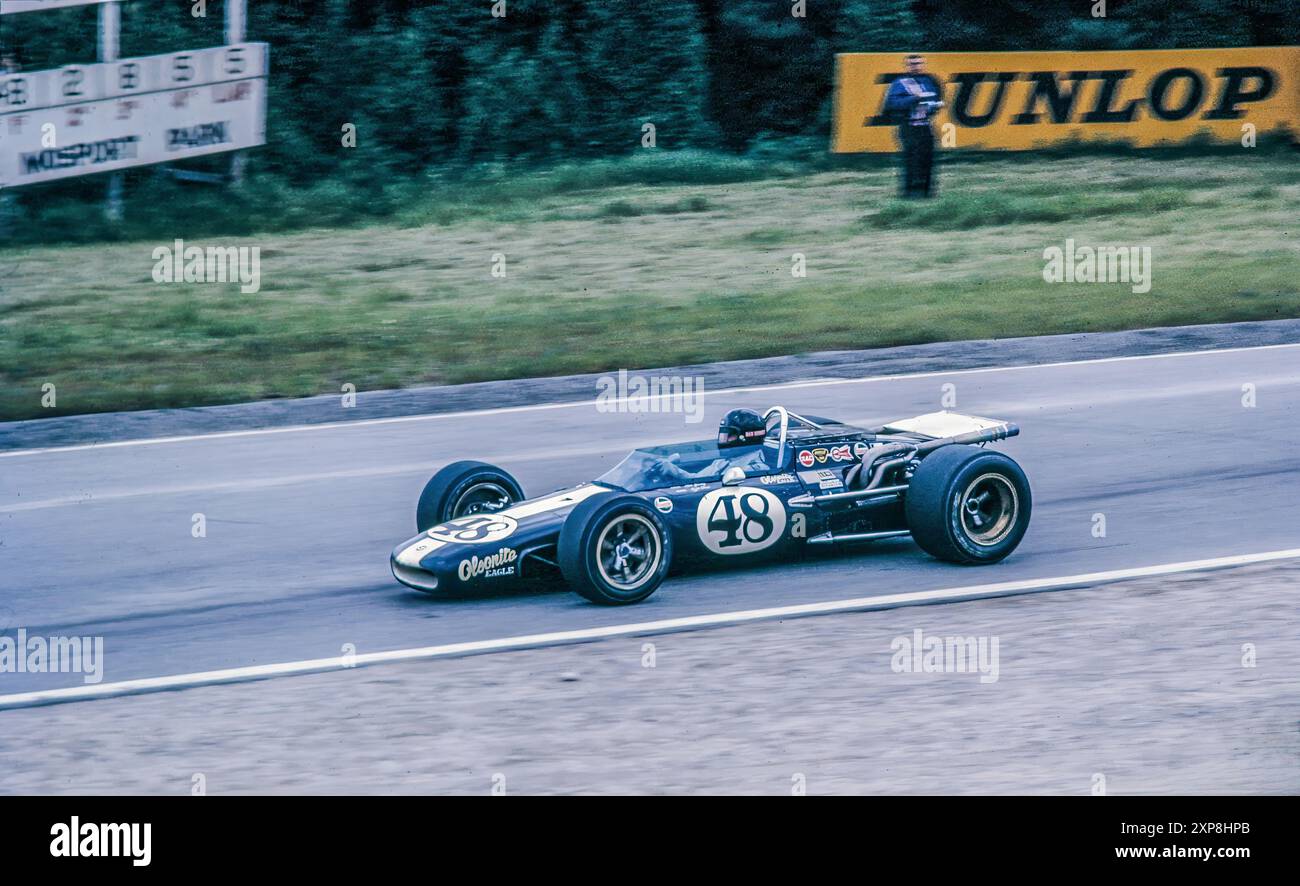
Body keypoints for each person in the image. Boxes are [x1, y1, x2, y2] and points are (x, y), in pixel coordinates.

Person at [883, 54, 943, 198]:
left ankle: (927, 193)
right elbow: (892, 104)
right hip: (908, 126)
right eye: (913, 64)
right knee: (911, 161)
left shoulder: (929, 80)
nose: (916, 66)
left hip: (925, 125)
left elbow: (936, 98)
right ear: (907, 66)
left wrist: (934, 106)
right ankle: (909, 193)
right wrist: (915, 99)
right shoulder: (900, 82)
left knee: (927, 160)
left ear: (923, 65)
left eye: (919, 63)